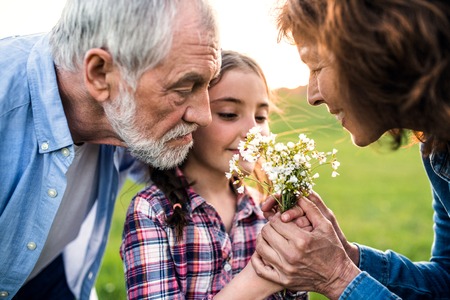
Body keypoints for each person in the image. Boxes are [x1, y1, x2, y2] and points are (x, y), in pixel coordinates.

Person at [0, 0, 220, 299]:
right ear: (100, 74)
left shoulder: (126, 115)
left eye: (208, 84)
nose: (204, 115)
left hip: (49, 275)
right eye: (183, 89)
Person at [250, 0, 450, 299]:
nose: (312, 96)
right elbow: (446, 280)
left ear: (374, 50)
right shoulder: (437, 148)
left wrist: (337, 277)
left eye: (317, 66)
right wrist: (349, 257)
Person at [120, 50, 308, 299]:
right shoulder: (151, 212)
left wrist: (296, 275)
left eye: (261, 117)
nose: (254, 132)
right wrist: (262, 278)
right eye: (229, 114)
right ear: (190, 118)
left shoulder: (266, 209)